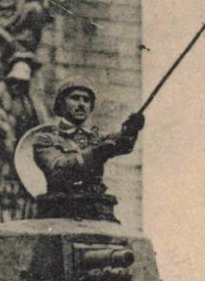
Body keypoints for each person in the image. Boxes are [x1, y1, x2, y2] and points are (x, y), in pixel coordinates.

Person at [31, 79, 143, 220]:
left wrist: (131, 130)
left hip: (97, 210)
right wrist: (95, 154)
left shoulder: (94, 138)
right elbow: (58, 168)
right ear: (61, 103)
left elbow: (119, 143)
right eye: (75, 98)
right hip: (61, 211)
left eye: (86, 100)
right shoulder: (45, 139)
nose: (81, 104)